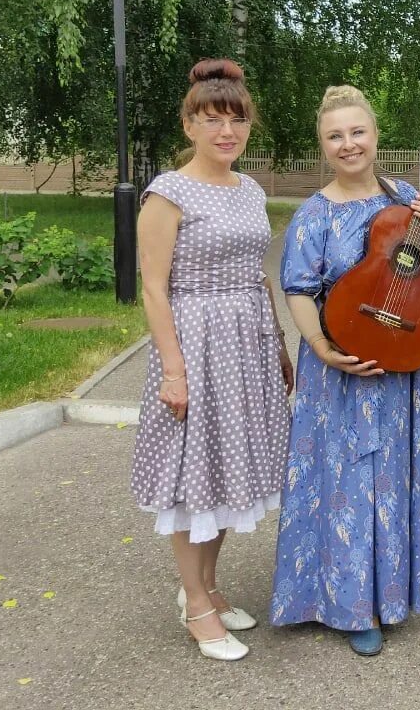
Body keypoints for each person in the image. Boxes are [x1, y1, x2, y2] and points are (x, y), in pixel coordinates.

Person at [269, 85, 420, 657]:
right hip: (339, 365)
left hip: (395, 363)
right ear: (323, 145)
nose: (349, 144)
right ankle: (346, 606)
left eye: (358, 132)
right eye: (335, 135)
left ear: (375, 137)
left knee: (387, 479)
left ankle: (386, 596)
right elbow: (297, 288)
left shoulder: (407, 195)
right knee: (342, 484)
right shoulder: (314, 214)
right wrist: (319, 345)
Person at [130, 58, 294, 662]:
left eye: (237, 119)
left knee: (229, 467)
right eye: (213, 118)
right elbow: (154, 288)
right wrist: (174, 369)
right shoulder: (167, 193)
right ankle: (195, 602)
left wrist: (277, 342)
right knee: (190, 473)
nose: (227, 131)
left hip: (246, 341)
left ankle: (210, 587)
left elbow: (257, 274)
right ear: (190, 123)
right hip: (195, 341)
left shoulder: (250, 189)